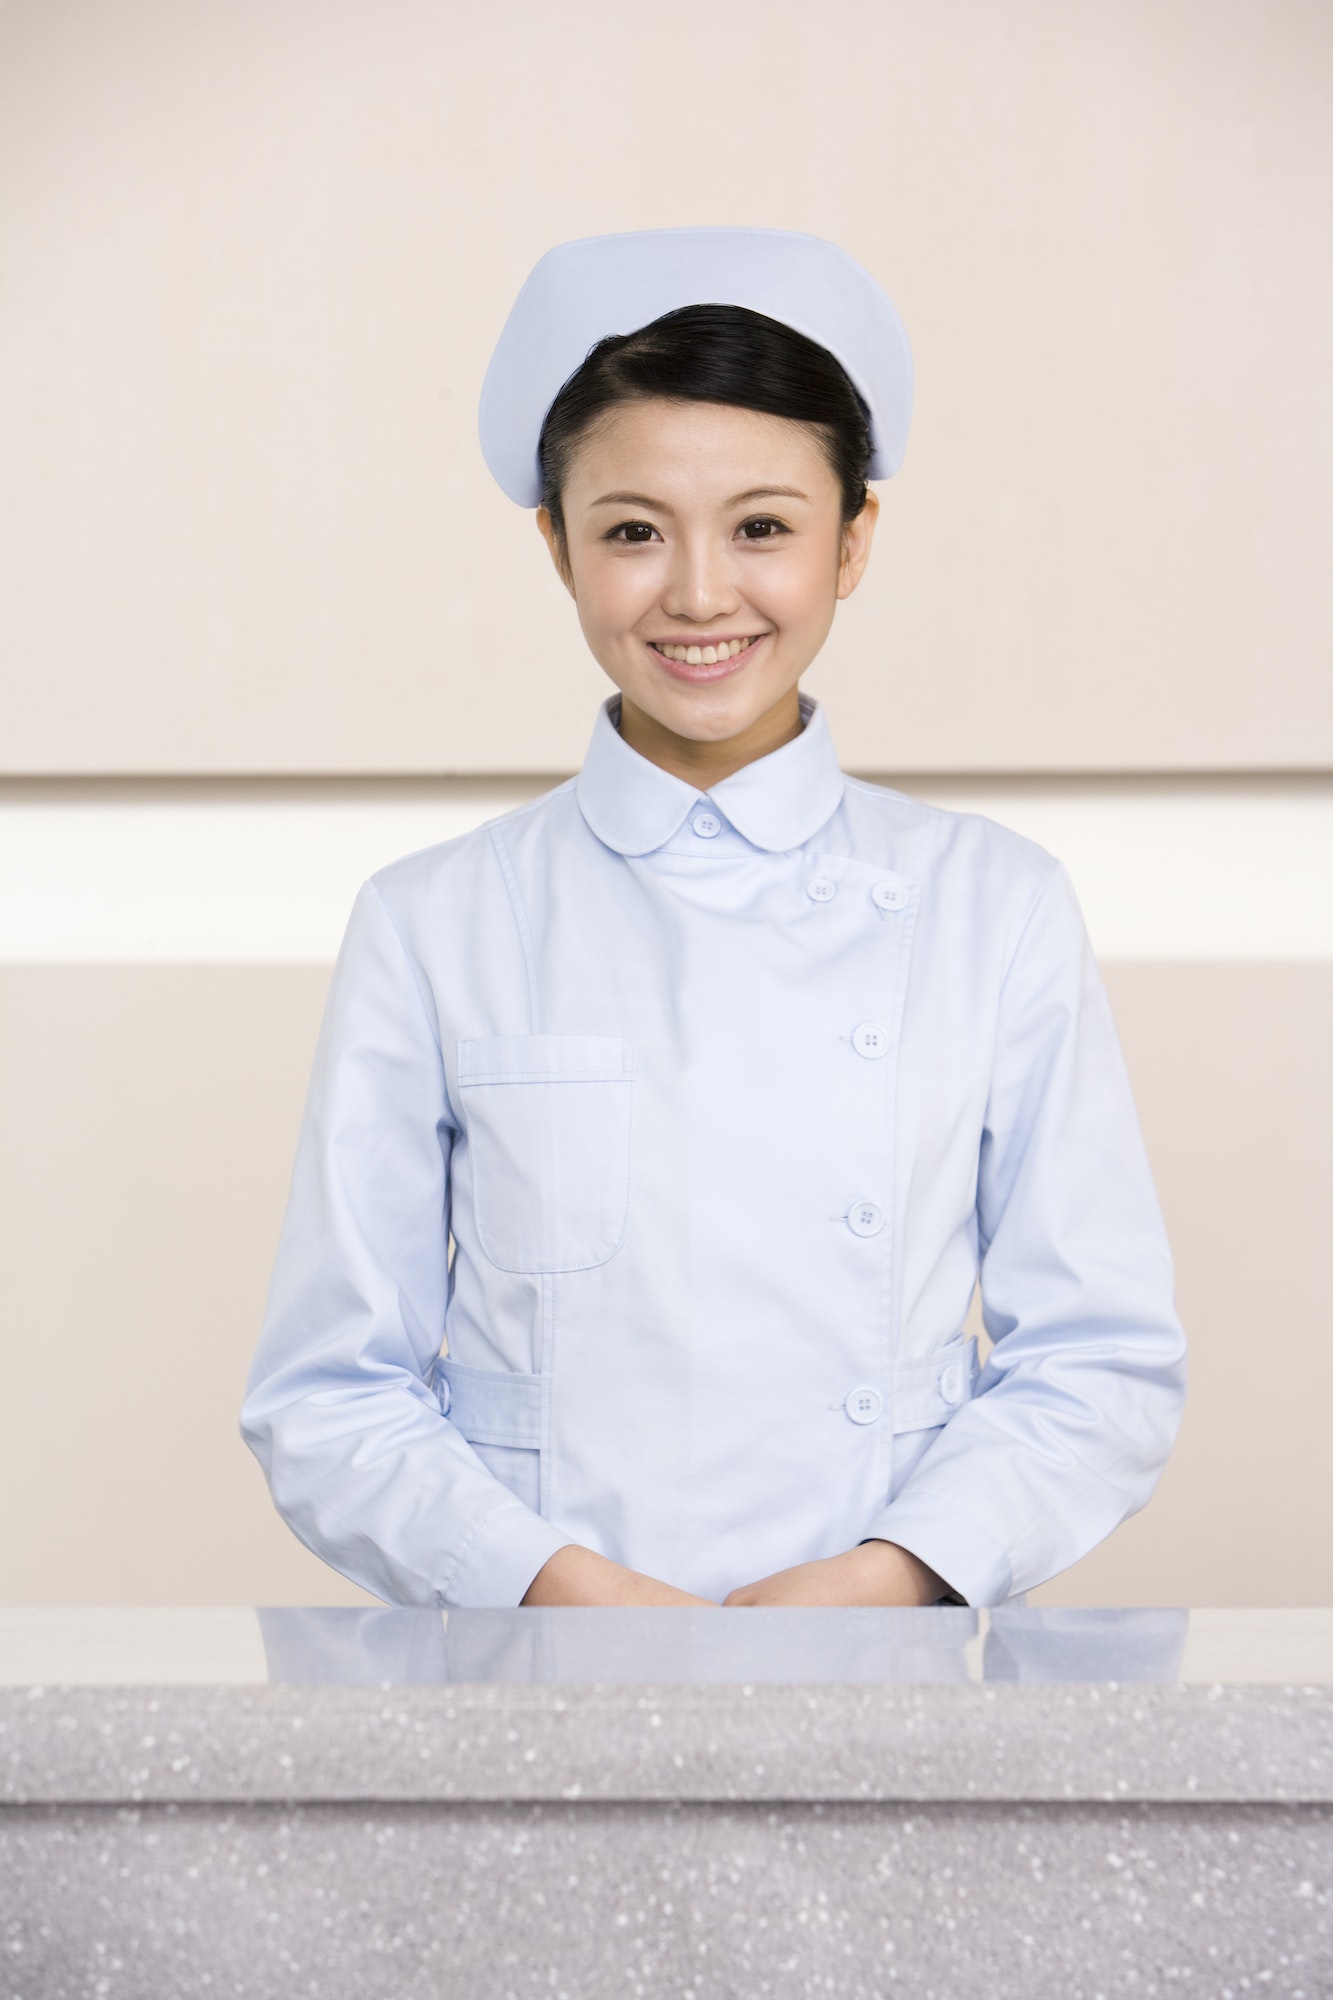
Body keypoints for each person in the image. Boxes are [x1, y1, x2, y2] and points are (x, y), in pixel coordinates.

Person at [241, 227, 1186, 1611]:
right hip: (541, 1688)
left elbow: (1101, 1361)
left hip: (884, 1683)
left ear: (852, 540)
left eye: (762, 527)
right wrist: (555, 1591)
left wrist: (896, 1578)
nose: (696, 594)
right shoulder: (436, 924)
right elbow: (329, 1395)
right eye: (631, 531)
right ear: (556, 547)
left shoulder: (991, 907)